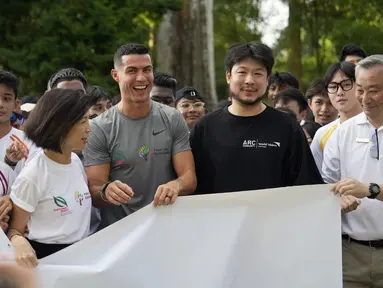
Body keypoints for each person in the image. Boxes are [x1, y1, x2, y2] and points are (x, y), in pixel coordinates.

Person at [83, 43, 196, 229]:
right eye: (132, 71)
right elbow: (95, 191)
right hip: (119, 235)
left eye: (147, 70)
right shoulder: (99, 128)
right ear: (115, 75)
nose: (141, 78)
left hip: (166, 228)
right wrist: (107, 190)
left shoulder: (173, 118)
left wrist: (176, 185)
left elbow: (189, 178)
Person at [190, 42, 323, 195]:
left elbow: (307, 187)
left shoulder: (287, 128)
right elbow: (191, 185)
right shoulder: (205, 128)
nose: (249, 80)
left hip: (273, 217)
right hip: (219, 218)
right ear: (228, 76)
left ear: (267, 80)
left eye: (258, 73)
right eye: (242, 72)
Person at [8, 89, 93, 267]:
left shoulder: (76, 162)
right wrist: (17, 241)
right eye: (83, 121)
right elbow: (14, 230)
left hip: (81, 258)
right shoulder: (34, 175)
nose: (89, 128)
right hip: (46, 265)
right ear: (61, 125)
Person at [323, 55, 383, 287]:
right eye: (360, 90)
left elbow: (367, 189)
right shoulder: (342, 133)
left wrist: (370, 190)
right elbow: (325, 187)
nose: (365, 99)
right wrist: (337, 199)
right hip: (350, 256)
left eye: (374, 90)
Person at [311, 61, 362, 172]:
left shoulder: (377, 126)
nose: (339, 92)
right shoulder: (322, 134)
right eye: (333, 87)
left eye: (346, 84)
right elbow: (316, 179)